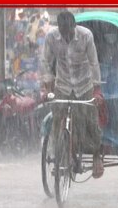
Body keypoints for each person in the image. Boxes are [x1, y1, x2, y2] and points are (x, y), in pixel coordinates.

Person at [41, 10, 105, 178]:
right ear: (59, 28)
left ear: (74, 27)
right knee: (57, 121)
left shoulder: (86, 36)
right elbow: (46, 62)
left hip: (84, 84)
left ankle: (97, 155)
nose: (67, 36)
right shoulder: (51, 37)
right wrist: (47, 88)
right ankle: (60, 156)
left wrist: (97, 90)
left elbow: (93, 63)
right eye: (64, 32)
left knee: (91, 121)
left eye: (69, 32)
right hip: (62, 85)